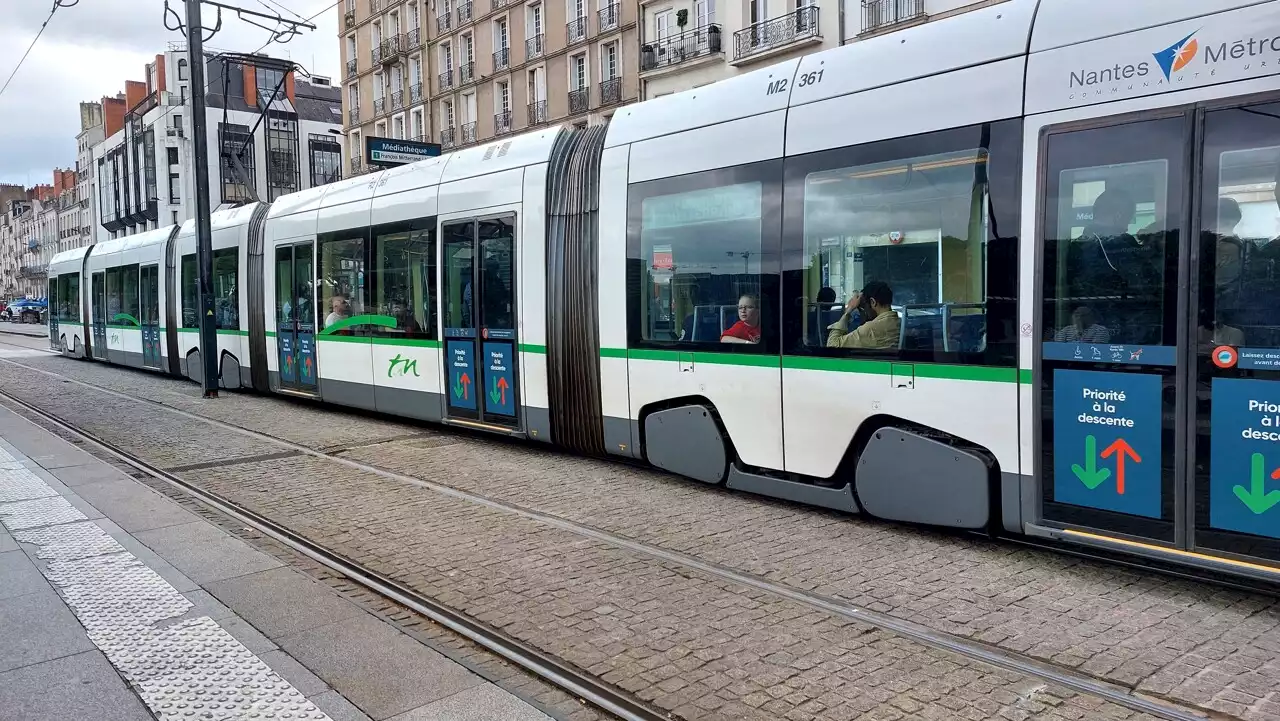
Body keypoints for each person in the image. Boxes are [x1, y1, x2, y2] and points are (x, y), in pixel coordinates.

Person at [827, 281, 899, 349]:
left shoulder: (871, 329)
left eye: (864, 306)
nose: (864, 311)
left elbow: (832, 346)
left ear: (873, 302)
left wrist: (848, 310)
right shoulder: (899, 323)